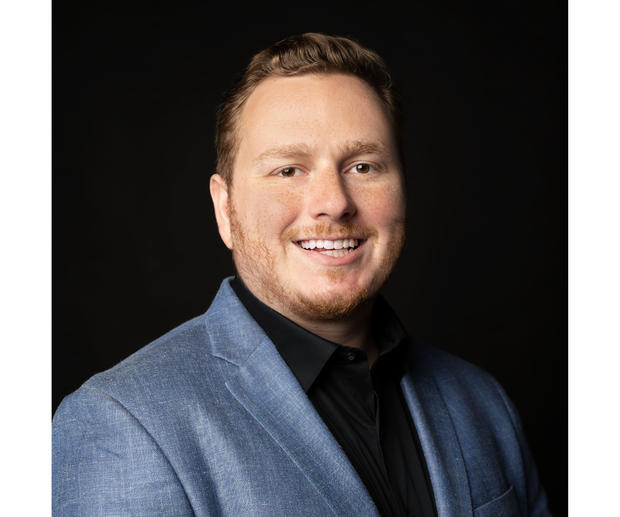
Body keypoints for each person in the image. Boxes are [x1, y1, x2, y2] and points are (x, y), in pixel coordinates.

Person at [52, 33, 551, 516]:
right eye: (288, 170)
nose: (333, 203)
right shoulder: (120, 427)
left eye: (363, 167)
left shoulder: (482, 402)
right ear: (225, 209)